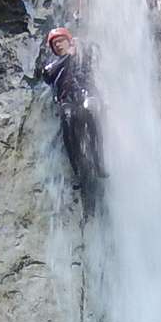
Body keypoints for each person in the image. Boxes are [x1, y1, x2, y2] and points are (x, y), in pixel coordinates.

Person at [32, 26, 103, 213]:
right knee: (68, 118)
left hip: (85, 96)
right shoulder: (53, 66)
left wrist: (80, 46)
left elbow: (94, 56)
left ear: (68, 41)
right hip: (67, 102)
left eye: (61, 41)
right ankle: (78, 171)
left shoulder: (81, 59)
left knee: (91, 110)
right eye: (55, 44)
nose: (58, 45)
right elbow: (47, 74)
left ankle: (98, 159)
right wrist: (69, 55)